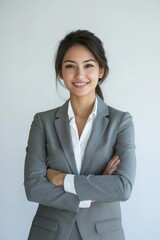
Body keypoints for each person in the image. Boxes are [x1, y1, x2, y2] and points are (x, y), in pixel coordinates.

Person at [24, 30, 136, 240]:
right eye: (70, 66)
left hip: (103, 234)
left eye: (88, 65)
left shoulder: (121, 122)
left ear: (101, 70)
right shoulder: (43, 122)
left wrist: (61, 179)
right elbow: (33, 188)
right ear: (60, 72)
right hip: (50, 234)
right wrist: (96, 188)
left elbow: (123, 188)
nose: (79, 75)